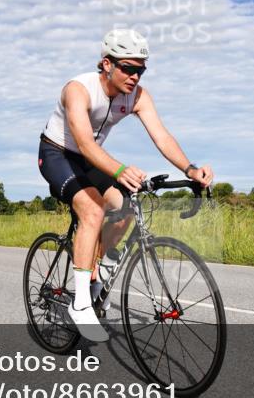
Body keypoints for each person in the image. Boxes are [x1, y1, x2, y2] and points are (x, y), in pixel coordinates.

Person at [38, 29, 213, 341]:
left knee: (128, 208)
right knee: (92, 211)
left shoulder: (138, 96)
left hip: (91, 158)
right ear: (107, 64)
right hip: (58, 154)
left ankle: (95, 269)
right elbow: (85, 144)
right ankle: (80, 304)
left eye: (141, 70)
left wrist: (190, 168)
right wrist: (119, 170)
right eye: (129, 68)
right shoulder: (78, 90)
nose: (136, 76)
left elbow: (162, 136)